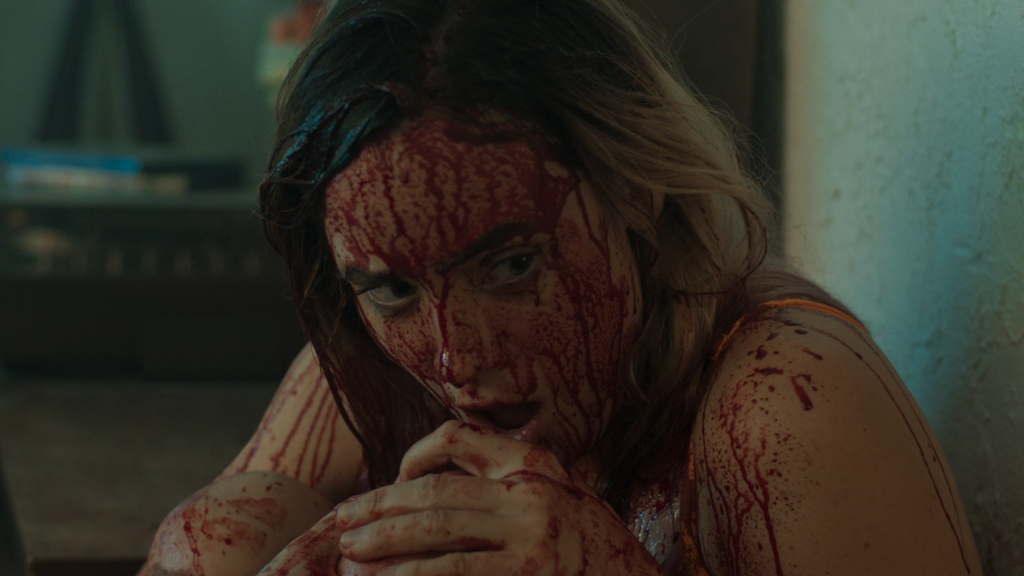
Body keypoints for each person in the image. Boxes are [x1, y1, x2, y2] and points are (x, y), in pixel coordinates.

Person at [139, 0, 983, 574]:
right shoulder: (371, 365)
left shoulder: (785, 404)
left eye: (512, 266)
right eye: (393, 289)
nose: (456, 358)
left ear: (636, 192)